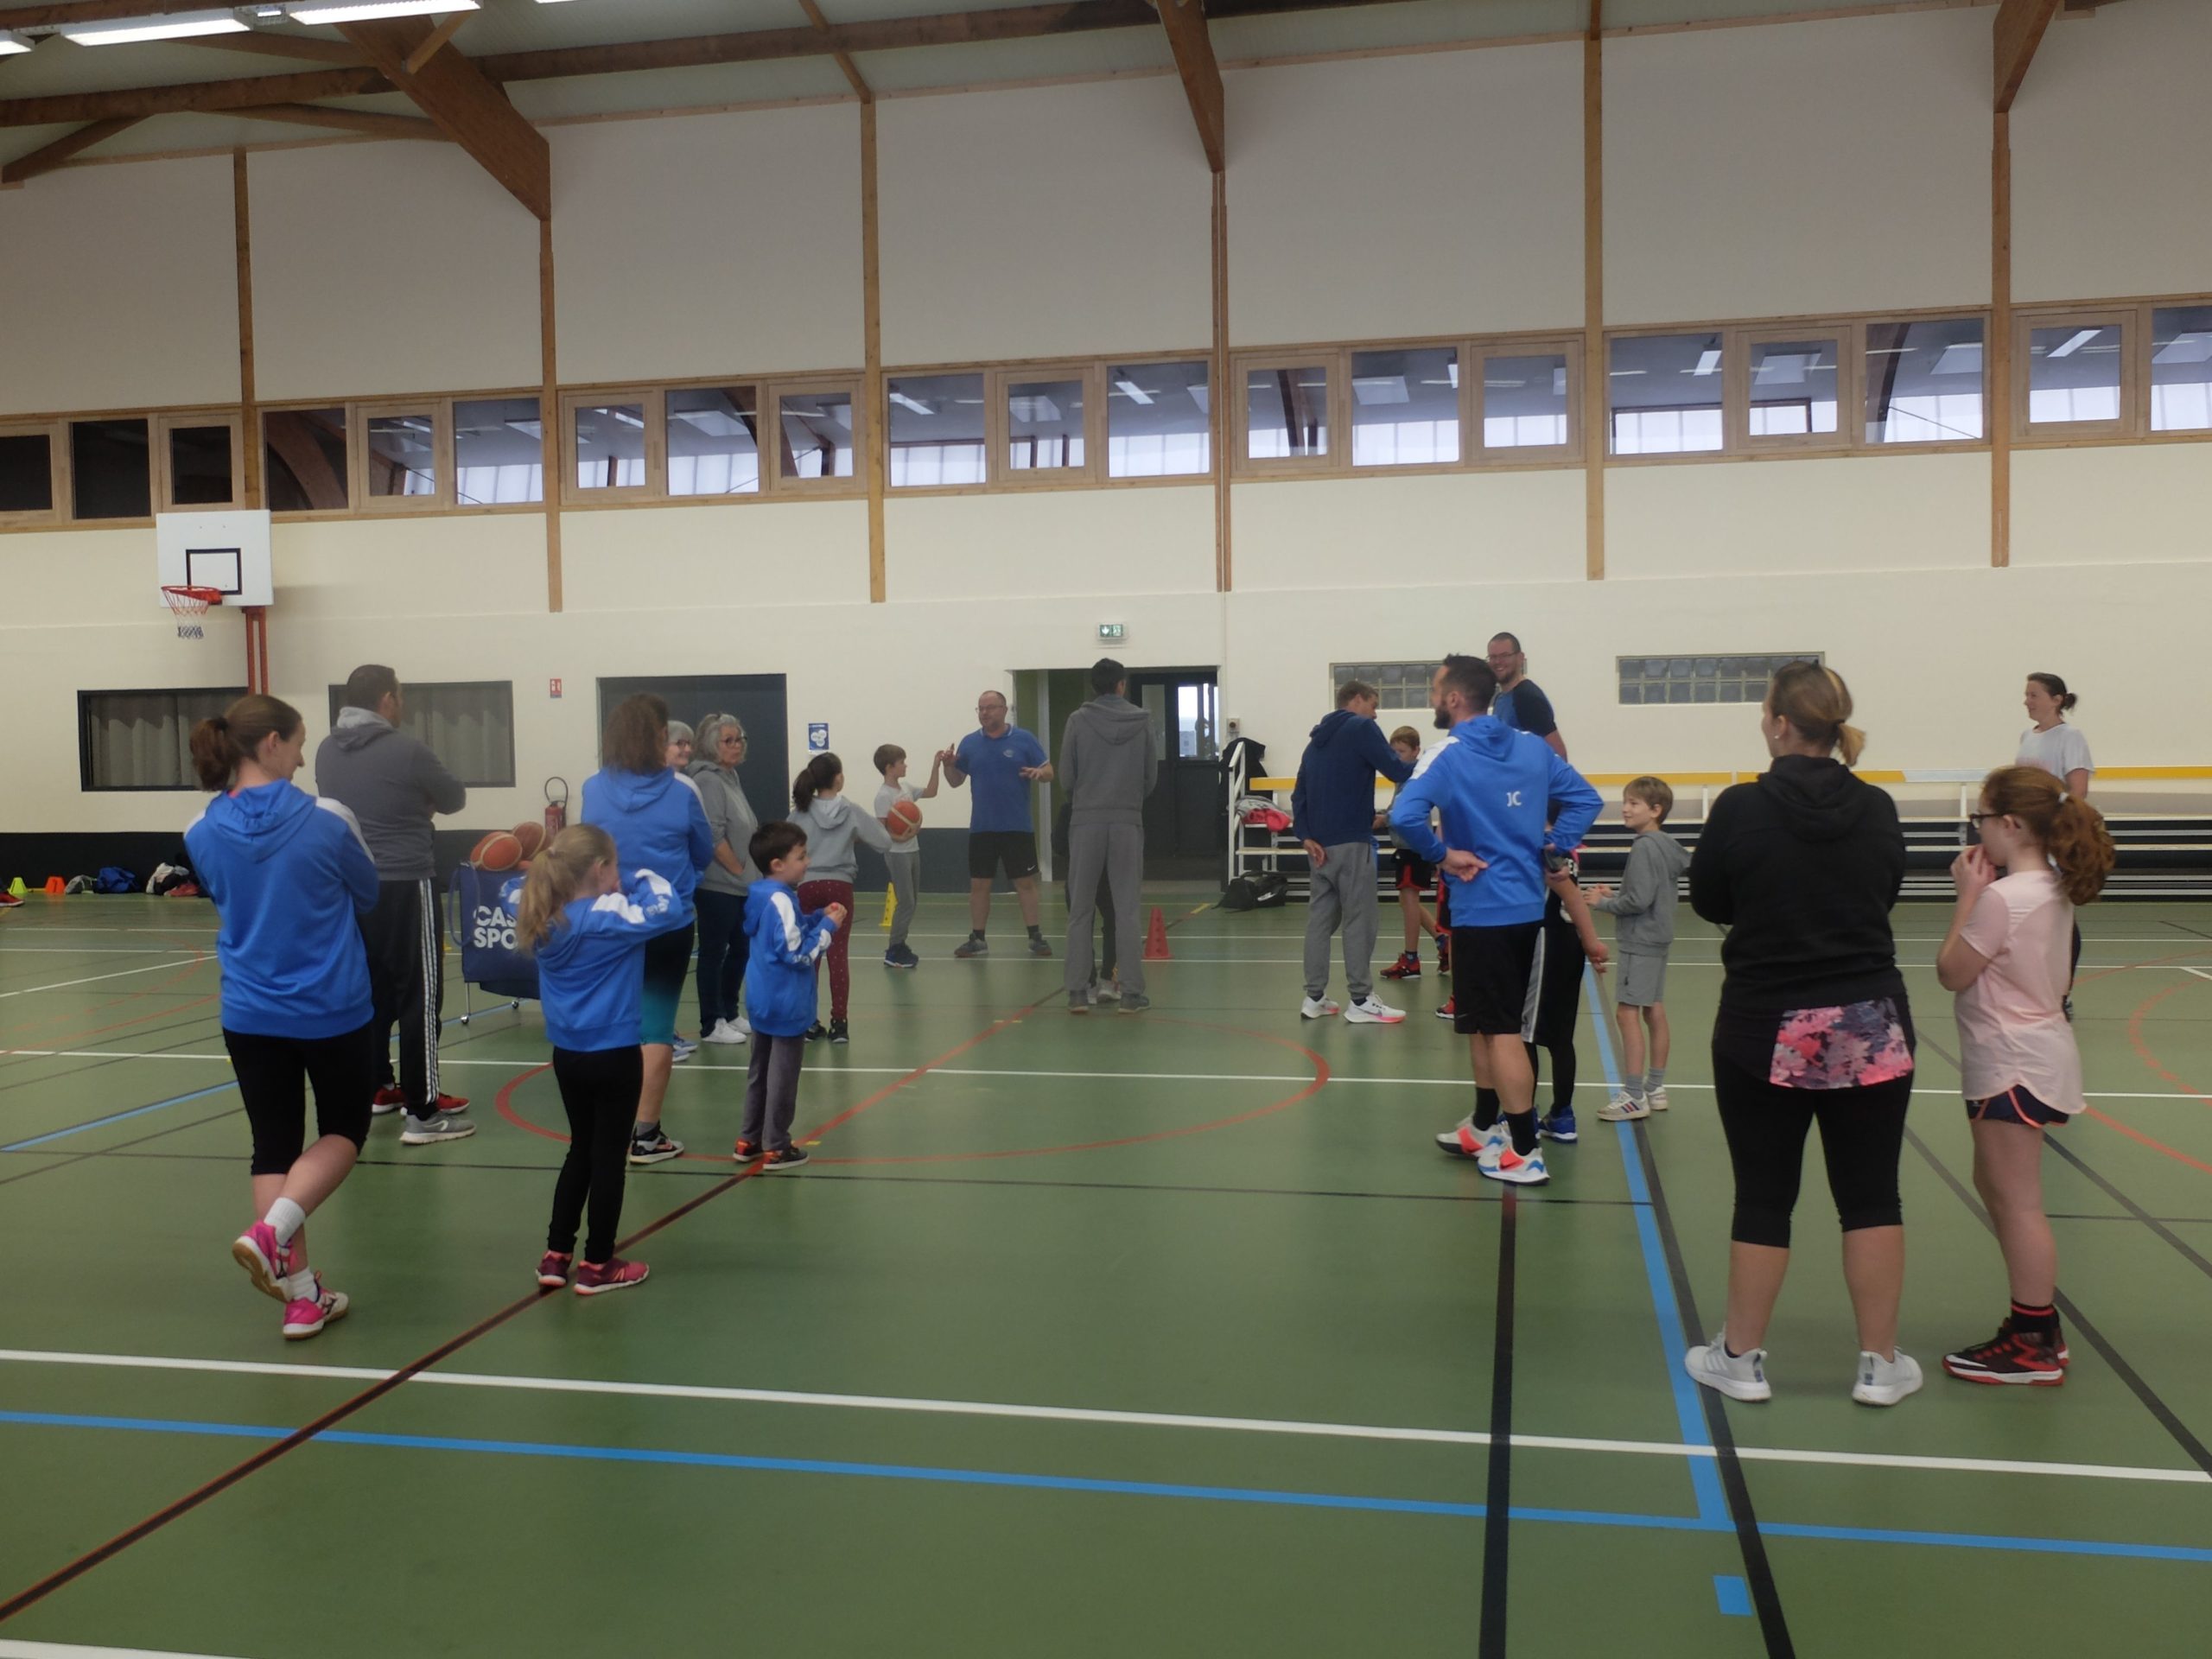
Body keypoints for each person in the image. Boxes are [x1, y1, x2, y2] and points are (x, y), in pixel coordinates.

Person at [1683, 662, 1921, 1408]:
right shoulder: (1877, 807)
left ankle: (1740, 1358)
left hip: (1765, 1021)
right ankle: (1880, 1365)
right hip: (1869, 1020)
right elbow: (1885, 889)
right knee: (1872, 1196)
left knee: (1763, 1196)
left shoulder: (1740, 807)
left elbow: (1709, 897)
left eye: (1765, 712)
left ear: (1782, 723)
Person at [188, 694, 379, 1341]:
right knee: (344, 1129)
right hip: (331, 1009)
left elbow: (227, 896)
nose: (301, 758)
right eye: (297, 744)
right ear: (271, 743)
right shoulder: (329, 818)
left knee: (273, 1143)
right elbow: (368, 892)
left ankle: (301, 1298)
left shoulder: (199, 830)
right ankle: (270, 1234)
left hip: (249, 1012)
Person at [1390, 655, 1602, 1186]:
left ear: (1453, 698)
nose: (1432, 698)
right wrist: (1554, 848)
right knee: (1480, 1024)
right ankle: (1486, 1125)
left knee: (1503, 1031)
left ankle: (1525, 1151)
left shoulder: (1446, 755)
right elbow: (1585, 799)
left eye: (1435, 690)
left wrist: (1441, 856)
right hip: (1519, 910)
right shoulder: (1531, 747)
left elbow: (1403, 816)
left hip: (1486, 911)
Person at [1936, 767, 2113, 1385]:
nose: (1977, 832)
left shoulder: (2005, 898)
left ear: (2009, 825)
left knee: (2017, 1203)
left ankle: (2033, 1339)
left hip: (2013, 1059)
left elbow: (1952, 971)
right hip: (2023, 1054)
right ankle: (2036, 1326)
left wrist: (1966, 895)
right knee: (1996, 1186)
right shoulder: (2048, 888)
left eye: (1981, 820)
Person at [510, 825, 693, 1297]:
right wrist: (634, 877)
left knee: (581, 1149)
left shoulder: (541, 913)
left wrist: (600, 877)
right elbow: (668, 906)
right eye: (613, 865)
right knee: (609, 1158)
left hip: (568, 1054)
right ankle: (598, 1263)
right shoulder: (607, 915)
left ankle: (556, 1255)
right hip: (614, 1054)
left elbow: (515, 886)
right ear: (599, 869)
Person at [313, 664, 474, 1143]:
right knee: (420, 997)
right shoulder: (407, 750)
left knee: (373, 992)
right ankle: (422, 1111)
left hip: (353, 885)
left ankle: (378, 1086)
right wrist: (418, 803)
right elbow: (455, 798)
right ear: (387, 699)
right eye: (400, 696)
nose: (402, 705)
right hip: (406, 882)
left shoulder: (325, 750)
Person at [581, 694, 714, 1166]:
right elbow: (703, 851)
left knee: (613, 1022)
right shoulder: (681, 792)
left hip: (610, 919)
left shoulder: (593, 789)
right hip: (666, 923)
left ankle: (608, 1124)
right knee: (656, 1028)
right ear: (659, 738)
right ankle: (646, 1133)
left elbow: (585, 849)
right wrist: (679, 883)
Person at [1291, 678, 1414, 1023]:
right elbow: (1397, 769)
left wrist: (1305, 837)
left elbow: (1299, 796)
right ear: (1357, 700)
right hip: (1353, 842)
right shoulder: (1361, 728)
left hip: (1319, 848)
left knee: (1320, 922)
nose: (1375, 715)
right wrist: (1434, 763)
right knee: (1359, 920)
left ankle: (1314, 997)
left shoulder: (1314, 743)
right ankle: (1360, 1000)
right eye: (1374, 705)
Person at [734, 821, 844, 1173]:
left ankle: (749, 1139)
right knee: (782, 1077)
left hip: (763, 1001)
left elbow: (787, 932)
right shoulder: (781, 899)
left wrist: (816, 917)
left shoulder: (764, 895)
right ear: (778, 864)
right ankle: (777, 1146)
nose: (807, 862)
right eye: (801, 856)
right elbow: (796, 953)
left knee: (760, 1072)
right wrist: (828, 928)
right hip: (786, 1003)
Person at [1059, 658, 1160, 1015]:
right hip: (1127, 821)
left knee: (1080, 910)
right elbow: (1150, 778)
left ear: (1093, 686)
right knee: (1126, 909)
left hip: (1086, 821)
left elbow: (1067, 777)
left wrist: (1087, 799)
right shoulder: (1143, 722)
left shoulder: (1077, 721)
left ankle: (1077, 992)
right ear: (1121, 684)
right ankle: (1130, 994)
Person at [1588, 776, 1690, 1121]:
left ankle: (1633, 1095)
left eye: (1634, 803)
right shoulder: (1666, 845)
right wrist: (1616, 894)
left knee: (1627, 1012)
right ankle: (1655, 1088)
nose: (1625, 809)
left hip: (1641, 939)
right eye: (1625, 802)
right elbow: (1648, 893)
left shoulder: (1645, 846)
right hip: (1658, 937)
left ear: (1656, 810)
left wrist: (1602, 903)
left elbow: (1639, 901)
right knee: (1653, 1008)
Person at [939, 690, 1053, 959]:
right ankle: (978, 939)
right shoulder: (969, 743)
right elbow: (955, 781)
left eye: (990, 708)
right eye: (980, 708)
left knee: (1024, 883)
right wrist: (948, 766)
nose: (984, 713)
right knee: (979, 885)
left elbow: (1049, 772)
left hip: (1017, 826)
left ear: (1004, 710)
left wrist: (1039, 773)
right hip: (982, 828)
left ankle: (1035, 936)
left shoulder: (1024, 739)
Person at [792, 753, 897, 1043]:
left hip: (808, 886)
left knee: (810, 954)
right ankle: (839, 1024)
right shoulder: (850, 810)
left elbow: (786, 844)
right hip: (839, 886)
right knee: (838, 955)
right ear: (838, 778)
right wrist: (853, 835)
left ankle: (808, 1022)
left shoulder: (800, 811)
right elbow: (884, 841)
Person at [1527, 839, 1611, 1146]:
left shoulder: (1542, 844)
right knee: (1561, 1038)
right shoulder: (1568, 846)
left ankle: (1521, 1115)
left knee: (1526, 1035)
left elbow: (1564, 891)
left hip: (1546, 939)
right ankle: (1562, 1114)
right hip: (1568, 940)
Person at [689, 714, 759, 1046]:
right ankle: (711, 1022)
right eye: (728, 740)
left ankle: (730, 1011)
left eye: (739, 738)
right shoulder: (708, 780)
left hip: (740, 885)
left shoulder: (731, 776)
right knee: (714, 952)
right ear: (710, 745)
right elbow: (714, 836)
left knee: (741, 949)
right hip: (717, 886)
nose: (737, 745)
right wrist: (740, 873)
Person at [1380, 727, 1445, 983]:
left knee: (1409, 901)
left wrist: (1383, 819)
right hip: (1407, 847)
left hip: (1413, 847)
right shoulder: (1402, 777)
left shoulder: (1415, 776)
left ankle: (1411, 959)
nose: (1397, 756)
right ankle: (1442, 940)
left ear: (1416, 751)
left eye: (1401, 751)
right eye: (1393, 752)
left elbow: (1404, 812)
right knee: (1407, 902)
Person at [874, 742, 942, 970]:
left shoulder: (906, 788)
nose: (905, 765)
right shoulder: (883, 796)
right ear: (889, 767)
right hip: (896, 854)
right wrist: (900, 838)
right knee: (906, 902)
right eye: (902, 762)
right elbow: (880, 830)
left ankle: (900, 945)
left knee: (912, 901)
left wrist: (936, 766)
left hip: (913, 850)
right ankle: (894, 949)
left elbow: (932, 791)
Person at [1052, 797, 1118, 1004]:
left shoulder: (1070, 807)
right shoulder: (1112, 806)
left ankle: (1086, 985)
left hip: (1078, 873)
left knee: (1081, 926)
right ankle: (1108, 980)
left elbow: (1058, 844)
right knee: (1114, 923)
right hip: (1108, 875)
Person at [1486, 632, 1567, 760]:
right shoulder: (1500, 698)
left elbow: (1559, 754)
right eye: (1493, 657)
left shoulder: (1527, 697)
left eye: (1505, 656)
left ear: (1520, 658)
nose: (1498, 662)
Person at [2017, 672, 2092, 801]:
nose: (2026, 702)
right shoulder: (2027, 735)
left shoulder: (2070, 737)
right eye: (2027, 696)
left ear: (2056, 700)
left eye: (2034, 696)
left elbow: (2079, 791)